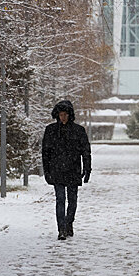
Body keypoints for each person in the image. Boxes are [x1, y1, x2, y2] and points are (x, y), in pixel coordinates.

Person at [42, 100, 91, 240]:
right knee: (60, 200)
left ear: (70, 115)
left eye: (65, 114)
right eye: (60, 114)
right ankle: (61, 228)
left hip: (73, 170)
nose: (63, 117)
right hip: (56, 170)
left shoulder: (78, 131)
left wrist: (87, 169)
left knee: (73, 200)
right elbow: (45, 153)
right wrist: (47, 171)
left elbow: (86, 151)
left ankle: (69, 223)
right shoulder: (51, 131)